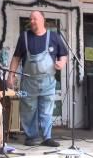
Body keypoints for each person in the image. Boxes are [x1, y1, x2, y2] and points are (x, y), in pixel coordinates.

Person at [6, 11, 68, 147]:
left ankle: (47, 137)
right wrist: (11, 75)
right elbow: (16, 58)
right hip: (29, 81)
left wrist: (62, 63)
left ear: (42, 20)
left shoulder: (54, 37)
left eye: (35, 18)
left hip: (48, 81)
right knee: (28, 110)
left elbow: (63, 55)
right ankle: (31, 137)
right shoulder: (24, 37)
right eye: (31, 19)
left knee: (47, 110)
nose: (32, 21)